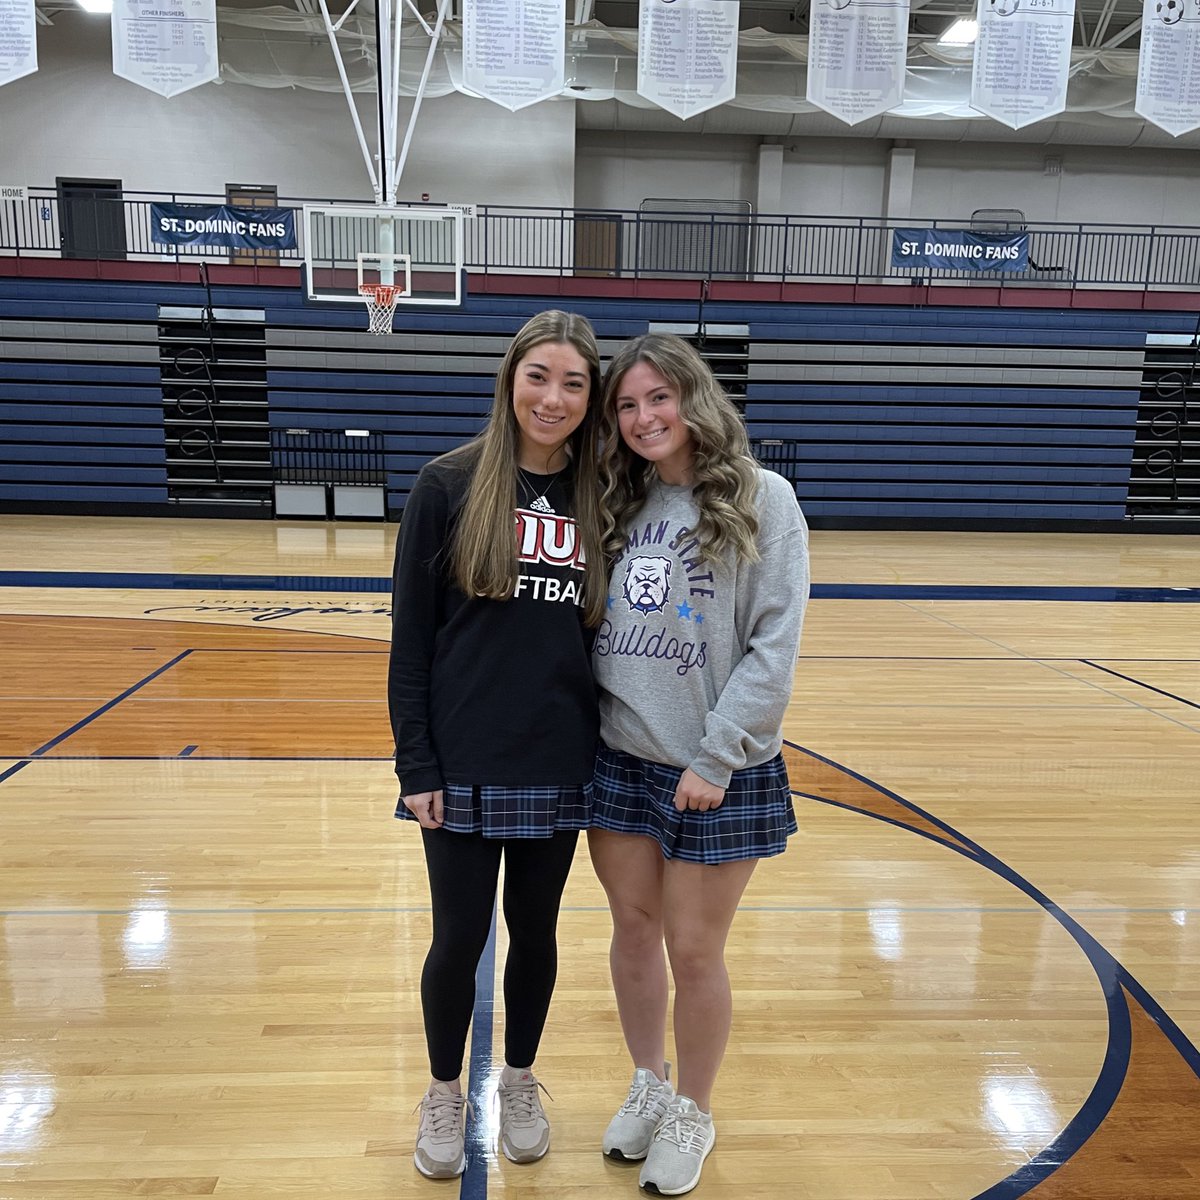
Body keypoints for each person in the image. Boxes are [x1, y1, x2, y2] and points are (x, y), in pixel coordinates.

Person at [388, 309, 608, 1179]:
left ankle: (517, 1081)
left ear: (591, 398)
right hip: (463, 760)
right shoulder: (447, 486)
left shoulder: (602, 496)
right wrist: (418, 764)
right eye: (538, 376)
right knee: (457, 939)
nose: (552, 398)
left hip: (559, 755)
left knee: (537, 932)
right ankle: (446, 1093)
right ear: (509, 379)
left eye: (573, 382)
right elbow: (411, 643)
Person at [588, 333, 810, 1197]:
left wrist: (717, 755)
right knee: (634, 935)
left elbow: (773, 644)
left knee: (694, 949)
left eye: (658, 399)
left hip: (717, 770)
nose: (644, 419)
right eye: (627, 406)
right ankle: (647, 1082)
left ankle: (694, 1108)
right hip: (622, 762)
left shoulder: (763, 498)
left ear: (693, 398)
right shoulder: (619, 498)